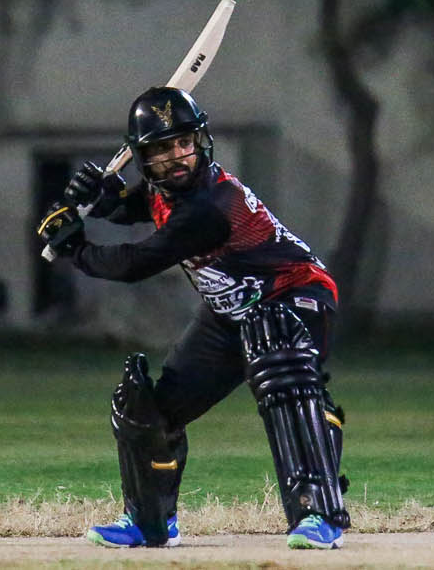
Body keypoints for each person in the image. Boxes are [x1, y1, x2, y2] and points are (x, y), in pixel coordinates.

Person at [37, 87, 350, 550]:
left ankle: (318, 513)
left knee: (281, 366)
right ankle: (150, 521)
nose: (179, 156)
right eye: (163, 149)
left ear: (199, 141)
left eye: (184, 142)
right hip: (229, 313)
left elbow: (136, 263)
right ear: (143, 158)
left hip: (294, 295)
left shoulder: (209, 207)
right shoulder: (166, 192)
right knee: (148, 411)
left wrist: (76, 249)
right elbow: (132, 207)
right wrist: (100, 198)